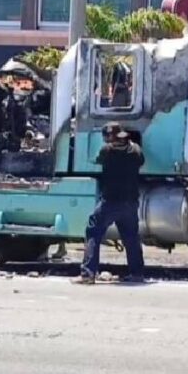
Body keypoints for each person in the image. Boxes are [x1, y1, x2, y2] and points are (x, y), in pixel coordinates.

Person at [73, 122, 145, 285]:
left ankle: (88, 274)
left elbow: (98, 160)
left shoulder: (107, 151)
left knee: (93, 231)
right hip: (131, 201)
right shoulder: (135, 150)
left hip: (111, 201)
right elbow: (141, 160)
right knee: (131, 238)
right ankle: (137, 273)